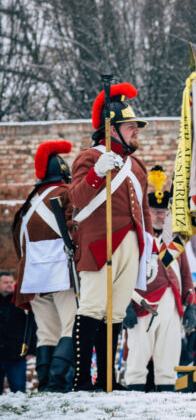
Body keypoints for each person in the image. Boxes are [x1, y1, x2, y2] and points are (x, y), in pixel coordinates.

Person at [68, 82, 159, 391]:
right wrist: (96, 174)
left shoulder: (137, 165)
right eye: (131, 126)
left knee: (116, 313)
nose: (136, 131)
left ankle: (107, 379)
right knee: (92, 309)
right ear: (113, 128)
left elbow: (144, 212)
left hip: (131, 243)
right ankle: (83, 380)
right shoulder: (90, 157)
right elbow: (77, 199)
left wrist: (152, 253)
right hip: (98, 243)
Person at [11, 140, 77, 392]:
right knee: (73, 325)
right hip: (61, 272)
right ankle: (58, 382)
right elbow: (77, 231)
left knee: (48, 333)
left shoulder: (27, 206)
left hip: (32, 278)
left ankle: (46, 383)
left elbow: (19, 247)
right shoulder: (65, 194)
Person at [123, 167, 196, 391]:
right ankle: (134, 395)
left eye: (164, 213)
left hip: (171, 302)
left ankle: (166, 400)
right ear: (147, 214)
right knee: (138, 356)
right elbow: (124, 272)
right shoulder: (136, 239)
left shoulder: (174, 242)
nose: (160, 216)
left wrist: (190, 304)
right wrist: (125, 304)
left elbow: (185, 274)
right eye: (155, 212)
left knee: (169, 356)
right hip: (141, 303)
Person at [0, 272, 29, 393]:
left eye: (11, 282)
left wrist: (30, 350)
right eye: (5, 282)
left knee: (19, 392)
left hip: (17, 356)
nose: (9, 285)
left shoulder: (21, 304)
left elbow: (31, 327)